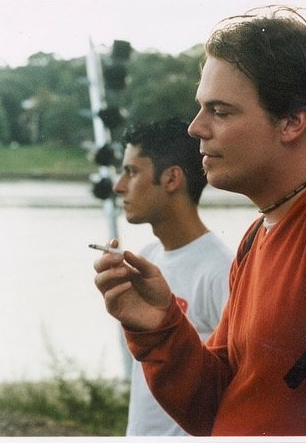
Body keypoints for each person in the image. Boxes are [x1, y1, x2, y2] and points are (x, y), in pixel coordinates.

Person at [93, 8, 306, 436]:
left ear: (293, 121)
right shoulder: (256, 235)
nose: (196, 128)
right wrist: (158, 327)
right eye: (201, 108)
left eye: (220, 111)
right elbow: (217, 406)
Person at [112, 118, 233, 436]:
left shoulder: (220, 270)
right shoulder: (147, 259)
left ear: (171, 178)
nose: (119, 186)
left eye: (131, 172)